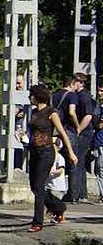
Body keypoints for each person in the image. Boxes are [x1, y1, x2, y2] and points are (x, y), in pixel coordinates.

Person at [25, 83, 77, 232]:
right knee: (35, 186)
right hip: (34, 150)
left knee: (39, 187)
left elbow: (62, 133)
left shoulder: (51, 112)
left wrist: (71, 153)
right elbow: (32, 132)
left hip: (46, 152)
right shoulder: (34, 112)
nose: (29, 98)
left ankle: (37, 222)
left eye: (31, 95)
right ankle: (59, 206)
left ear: (37, 96)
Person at [66, 72, 94, 203]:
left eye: (76, 81)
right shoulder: (78, 96)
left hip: (84, 133)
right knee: (81, 162)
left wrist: (78, 130)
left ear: (81, 83)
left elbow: (88, 116)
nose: (73, 83)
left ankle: (76, 193)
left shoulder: (84, 97)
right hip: (84, 133)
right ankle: (82, 193)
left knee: (77, 161)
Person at [92, 84, 103, 204]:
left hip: (101, 141)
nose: (100, 93)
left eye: (102, 91)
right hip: (99, 141)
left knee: (100, 170)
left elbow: (99, 124)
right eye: (99, 91)